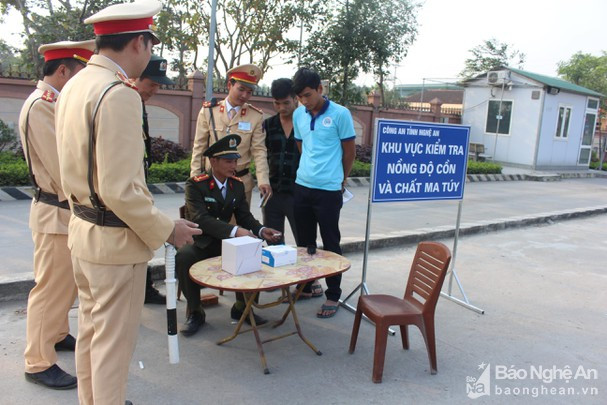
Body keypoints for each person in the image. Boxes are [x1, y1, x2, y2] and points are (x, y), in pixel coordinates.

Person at [55, 1, 201, 403]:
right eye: (151, 45)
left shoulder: (75, 85)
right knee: (112, 350)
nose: (150, 54)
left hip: (83, 232)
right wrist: (167, 229)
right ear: (139, 42)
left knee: (91, 336)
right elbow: (120, 189)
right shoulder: (118, 94)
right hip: (114, 245)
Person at [19, 39, 95, 390]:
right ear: (63, 70)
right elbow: (63, 167)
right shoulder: (42, 106)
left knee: (65, 287)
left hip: (61, 211)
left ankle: (58, 332)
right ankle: (38, 361)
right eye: (80, 72)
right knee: (50, 290)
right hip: (55, 211)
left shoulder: (52, 103)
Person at [176, 135, 282, 337]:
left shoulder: (237, 185)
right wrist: (235, 231)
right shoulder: (196, 184)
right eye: (228, 161)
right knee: (184, 256)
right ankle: (195, 311)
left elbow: (244, 216)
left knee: (252, 250)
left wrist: (261, 230)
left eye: (235, 160)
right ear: (213, 161)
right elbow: (201, 219)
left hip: (226, 242)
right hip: (202, 241)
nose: (234, 165)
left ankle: (243, 308)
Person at [291, 67, 356, 318]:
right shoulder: (299, 114)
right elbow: (301, 144)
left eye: (308, 95)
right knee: (305, 243)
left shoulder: (341, 114)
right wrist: (310, 170)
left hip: (329, 190)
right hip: (302, 186)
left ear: (320, 89)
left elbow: (349, 151)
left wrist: (341, 178)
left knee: (330, 243)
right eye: (300, 97)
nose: (304, 101)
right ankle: (307, 286)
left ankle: (333, 295)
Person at [190, 64, 271, 205]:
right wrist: (195, 178)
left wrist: (263, 180)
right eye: (241, 89)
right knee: (214, 226)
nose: (245, 95)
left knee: (240, 225)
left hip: (241, 184)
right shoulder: (209, 111)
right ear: (229, 85)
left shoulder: (256, 116)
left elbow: (259, 151)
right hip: (212, 183)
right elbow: (199, 148)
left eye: (249, 92)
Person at [134, 54, 175, 305]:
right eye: (152, 83)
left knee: (141, 242)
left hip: (140, 180)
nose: (155, 90)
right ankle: (140, 289)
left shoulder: (137, 103)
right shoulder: (122, 102)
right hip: (129, 186)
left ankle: (144, 288)